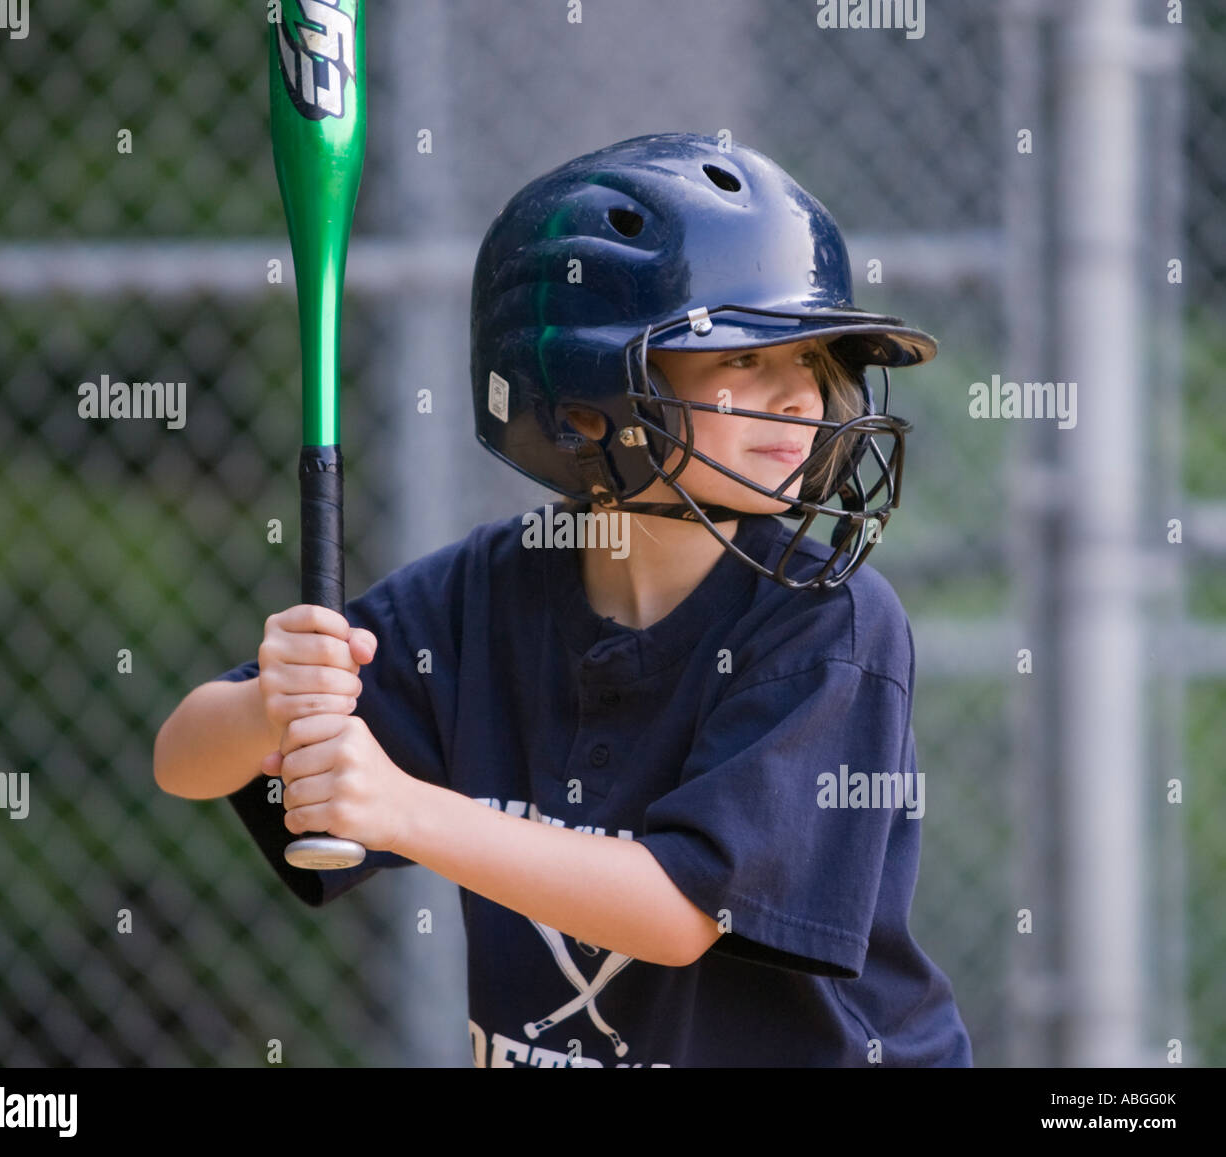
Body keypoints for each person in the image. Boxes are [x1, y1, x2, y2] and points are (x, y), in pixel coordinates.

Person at [154, 132, 973, 1068]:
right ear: (586, 404)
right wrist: (273, 703)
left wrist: (399, 807)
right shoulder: (483, 596)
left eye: (812, 359)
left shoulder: (830, 619)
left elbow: (677, 912)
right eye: (744, 362)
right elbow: (185, 758)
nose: (799, 398)